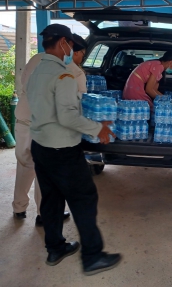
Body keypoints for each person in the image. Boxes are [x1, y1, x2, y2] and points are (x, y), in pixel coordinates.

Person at [26, 24, 121, 275]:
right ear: (63, 44)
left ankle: (55, 248)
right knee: (83, 198)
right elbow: (67, 117)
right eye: (71, 44)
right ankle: (92, 257)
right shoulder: (64, 75)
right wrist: (97, 128)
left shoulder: (37, 72)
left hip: (41, 145)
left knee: (52, 199)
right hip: (62, 149)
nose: (73, 50)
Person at [12, 38, 87, 226]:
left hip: (24, 119)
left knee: (25, 165)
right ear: (73, 51)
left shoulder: (37, 58)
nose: (81, 58)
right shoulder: (75, 73)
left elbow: (24, 84)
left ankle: (19, 207)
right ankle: (43, 214)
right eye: (81, 54)